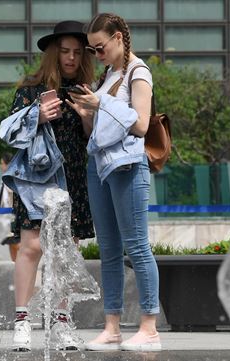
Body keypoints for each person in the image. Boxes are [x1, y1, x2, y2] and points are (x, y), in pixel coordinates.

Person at [65, 13, 161, 352]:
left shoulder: (139, 72)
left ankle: (149, 327)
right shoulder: (108, 75)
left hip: (127, 167)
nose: (96, 54)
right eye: (93, 49)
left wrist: (100, 101)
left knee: (136, 246)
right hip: (100, 166)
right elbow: (98, 132)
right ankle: (112, 327)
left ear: (119, 37)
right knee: (108, 250)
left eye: (100, 47)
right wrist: (87, 113)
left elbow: (141, 124)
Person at [6, 20, 95, 351]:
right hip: (37, 180)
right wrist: (38, 115)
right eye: (65, 52)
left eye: (76, 52)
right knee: (31, 247)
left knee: (65, 254)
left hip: (73, 179)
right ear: (53, 54)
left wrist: (88, 116)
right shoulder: (30, 89)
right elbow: (12, 134)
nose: (70, 58)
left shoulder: (86, 90)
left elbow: (92, 140)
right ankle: (22, 321)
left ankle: (60, 322)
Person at [0, 152, 20, 262]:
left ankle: (20, 266)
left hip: (13, 215)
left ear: (8, 164)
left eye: (2, 163)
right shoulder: (3, 179)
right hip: (5, 215)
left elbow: (12, 194)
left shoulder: (12, 178)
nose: (1, 166)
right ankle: (14, 265)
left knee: (17, 244)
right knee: (10, 243)